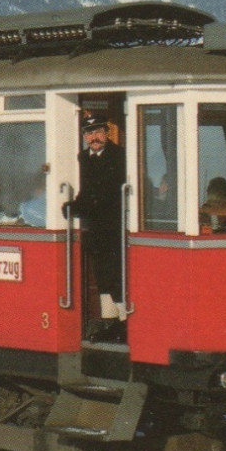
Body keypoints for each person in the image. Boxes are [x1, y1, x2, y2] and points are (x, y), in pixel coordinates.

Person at [68, 113, 127, 320]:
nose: (94, 137)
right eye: (89, 133)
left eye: (98, 132)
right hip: (94, 226)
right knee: (100, 273)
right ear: (84, 136)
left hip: (113, 225)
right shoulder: (83, 158)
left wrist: (81, 206)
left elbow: (108, 193)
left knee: (115, 274)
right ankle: (108, 319)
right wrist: (73, 205)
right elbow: (86, 191)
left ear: (107, 132)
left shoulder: (119, 156)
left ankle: (123, 319)